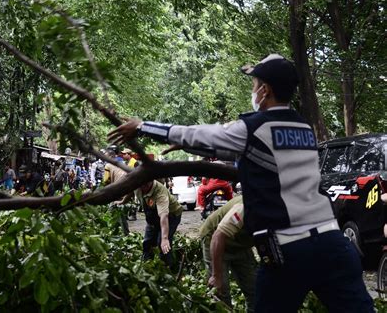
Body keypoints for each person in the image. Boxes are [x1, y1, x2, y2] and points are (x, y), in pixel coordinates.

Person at [108, 54, 374, 312]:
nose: (253, 89)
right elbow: (257, 153)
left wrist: (142, 127)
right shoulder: (303, 128)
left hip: (290, 252)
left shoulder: (254, 127)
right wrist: (206, 149)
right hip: (333, 245)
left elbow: (201, 133)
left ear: (265, 90)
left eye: (254, 84)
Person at [200, 196, 256, 311]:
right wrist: (216, 276)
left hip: (240, 242)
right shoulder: (244, 208)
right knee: (221, 290)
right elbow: (218, 236)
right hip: (214, 238)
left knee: (255, 289)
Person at [135, 180, 183, 267]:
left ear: (150, 182)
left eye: (145, 185)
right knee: (147, 242)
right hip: (153, 216)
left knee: (162, 244)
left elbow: (164, 216)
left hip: (171, 215)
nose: (142, 188)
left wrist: (164, 239)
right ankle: (147, 266)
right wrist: (122, 201)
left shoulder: (160, 192)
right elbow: (128, 192)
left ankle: (168, 269)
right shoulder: (137, 185)